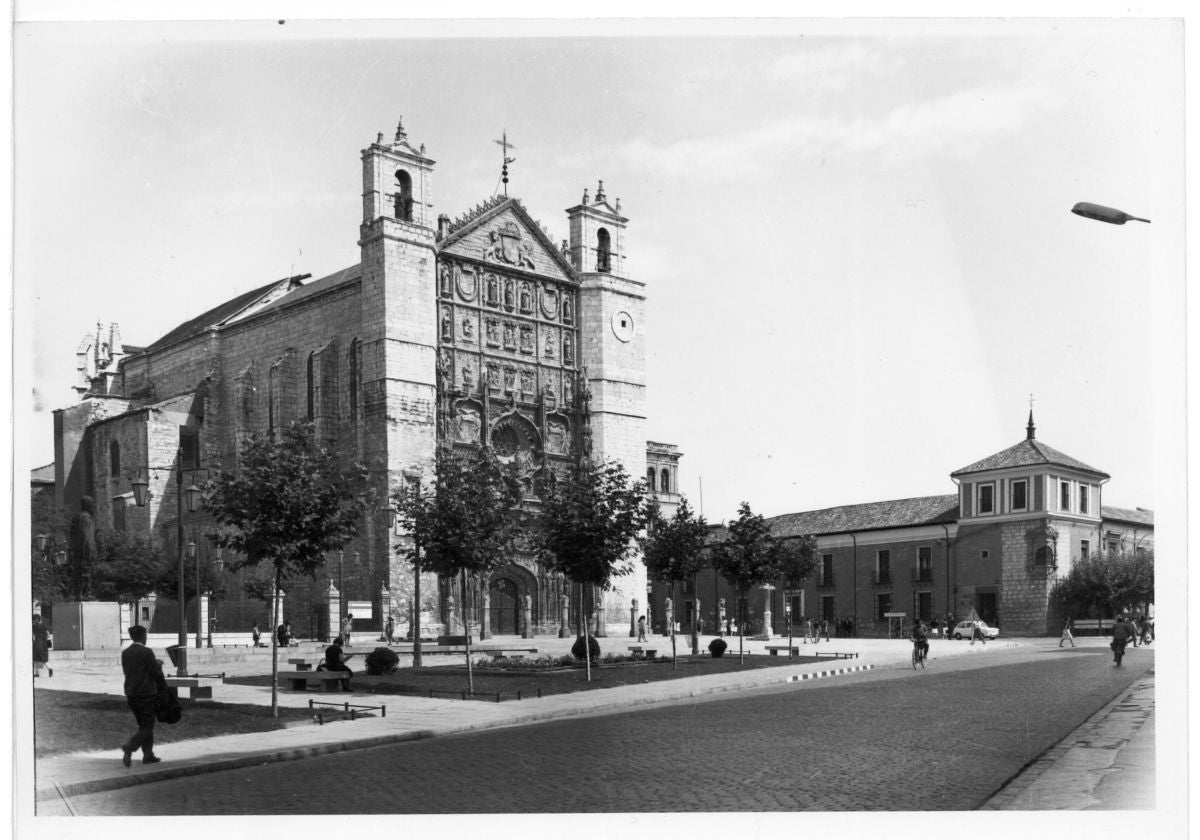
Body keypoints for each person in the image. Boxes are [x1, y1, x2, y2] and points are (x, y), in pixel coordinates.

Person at [120, 625, 166, 766]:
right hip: (146, 693)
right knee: (148, 725)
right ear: (142, 636)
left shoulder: (125, 653)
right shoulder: (147, 652)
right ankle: (130, 747)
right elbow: (154, 673)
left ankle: (148, 755)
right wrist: (158, 664)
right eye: (145, 635)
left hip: (131, 693)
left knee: (143, 725)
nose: (146, 638)